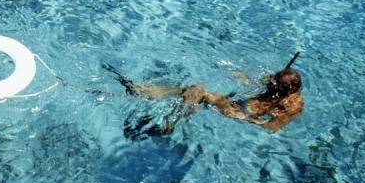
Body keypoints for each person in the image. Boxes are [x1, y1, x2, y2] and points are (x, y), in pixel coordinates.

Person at [103, 52, 304, 135]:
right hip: (239, 101)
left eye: (274, 81)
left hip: (241, 110)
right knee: (189, 90)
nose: (270, 81)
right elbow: (256, 83)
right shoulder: (277, 86)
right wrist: (240, 76)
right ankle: (141, 91)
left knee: (197, 93)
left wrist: (247, 118)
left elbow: (271, 127)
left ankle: (168, 124)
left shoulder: (293, 105)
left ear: (285, 88)